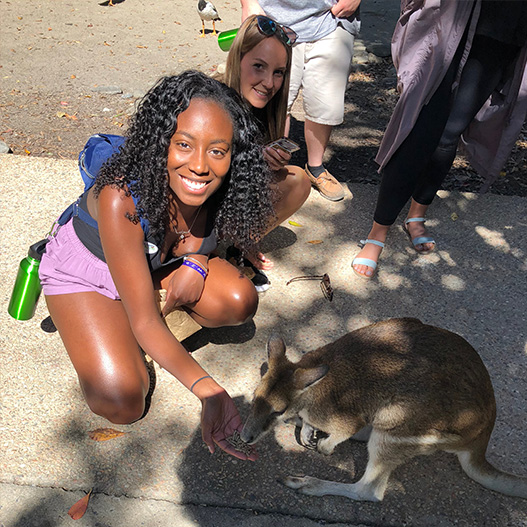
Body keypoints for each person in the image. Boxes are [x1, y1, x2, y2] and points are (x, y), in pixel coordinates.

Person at [38, 71, 275, 460]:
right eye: (184, 144)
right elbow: (146, 321)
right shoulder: (120, 196)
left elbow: (209, 232)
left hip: (152, 265)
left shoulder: (222, 182)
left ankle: (134, 327)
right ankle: (91, 322)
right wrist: (209, 390)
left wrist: (198, 260)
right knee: (122, 401)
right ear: (160, 142)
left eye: (217, 151)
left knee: (238, 301)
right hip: (89, 273)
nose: (200, 166)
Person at [352, 0, 527, 279]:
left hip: (502, 25)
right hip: (452, 16)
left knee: (448, 135)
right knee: (419, 129)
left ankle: (416, 215)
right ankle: (378, 232)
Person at [222, 14, 312, 290]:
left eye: (278, 72)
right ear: (238, 59)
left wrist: (266, 162)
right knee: (234, 300)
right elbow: (200, 173)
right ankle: (208, 253)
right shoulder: (212, 102)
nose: (270, 82)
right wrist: (251, 159)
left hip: (228, 202)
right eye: (258, 66)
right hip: (195, 206)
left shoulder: (266, 109)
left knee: (297, 180)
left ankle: (240, 245)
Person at [241, 0, 361, 202]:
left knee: (325, 102)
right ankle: (272, 169)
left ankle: (316, 168)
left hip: (332, 18)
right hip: (273, 17)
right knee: (274, 98)